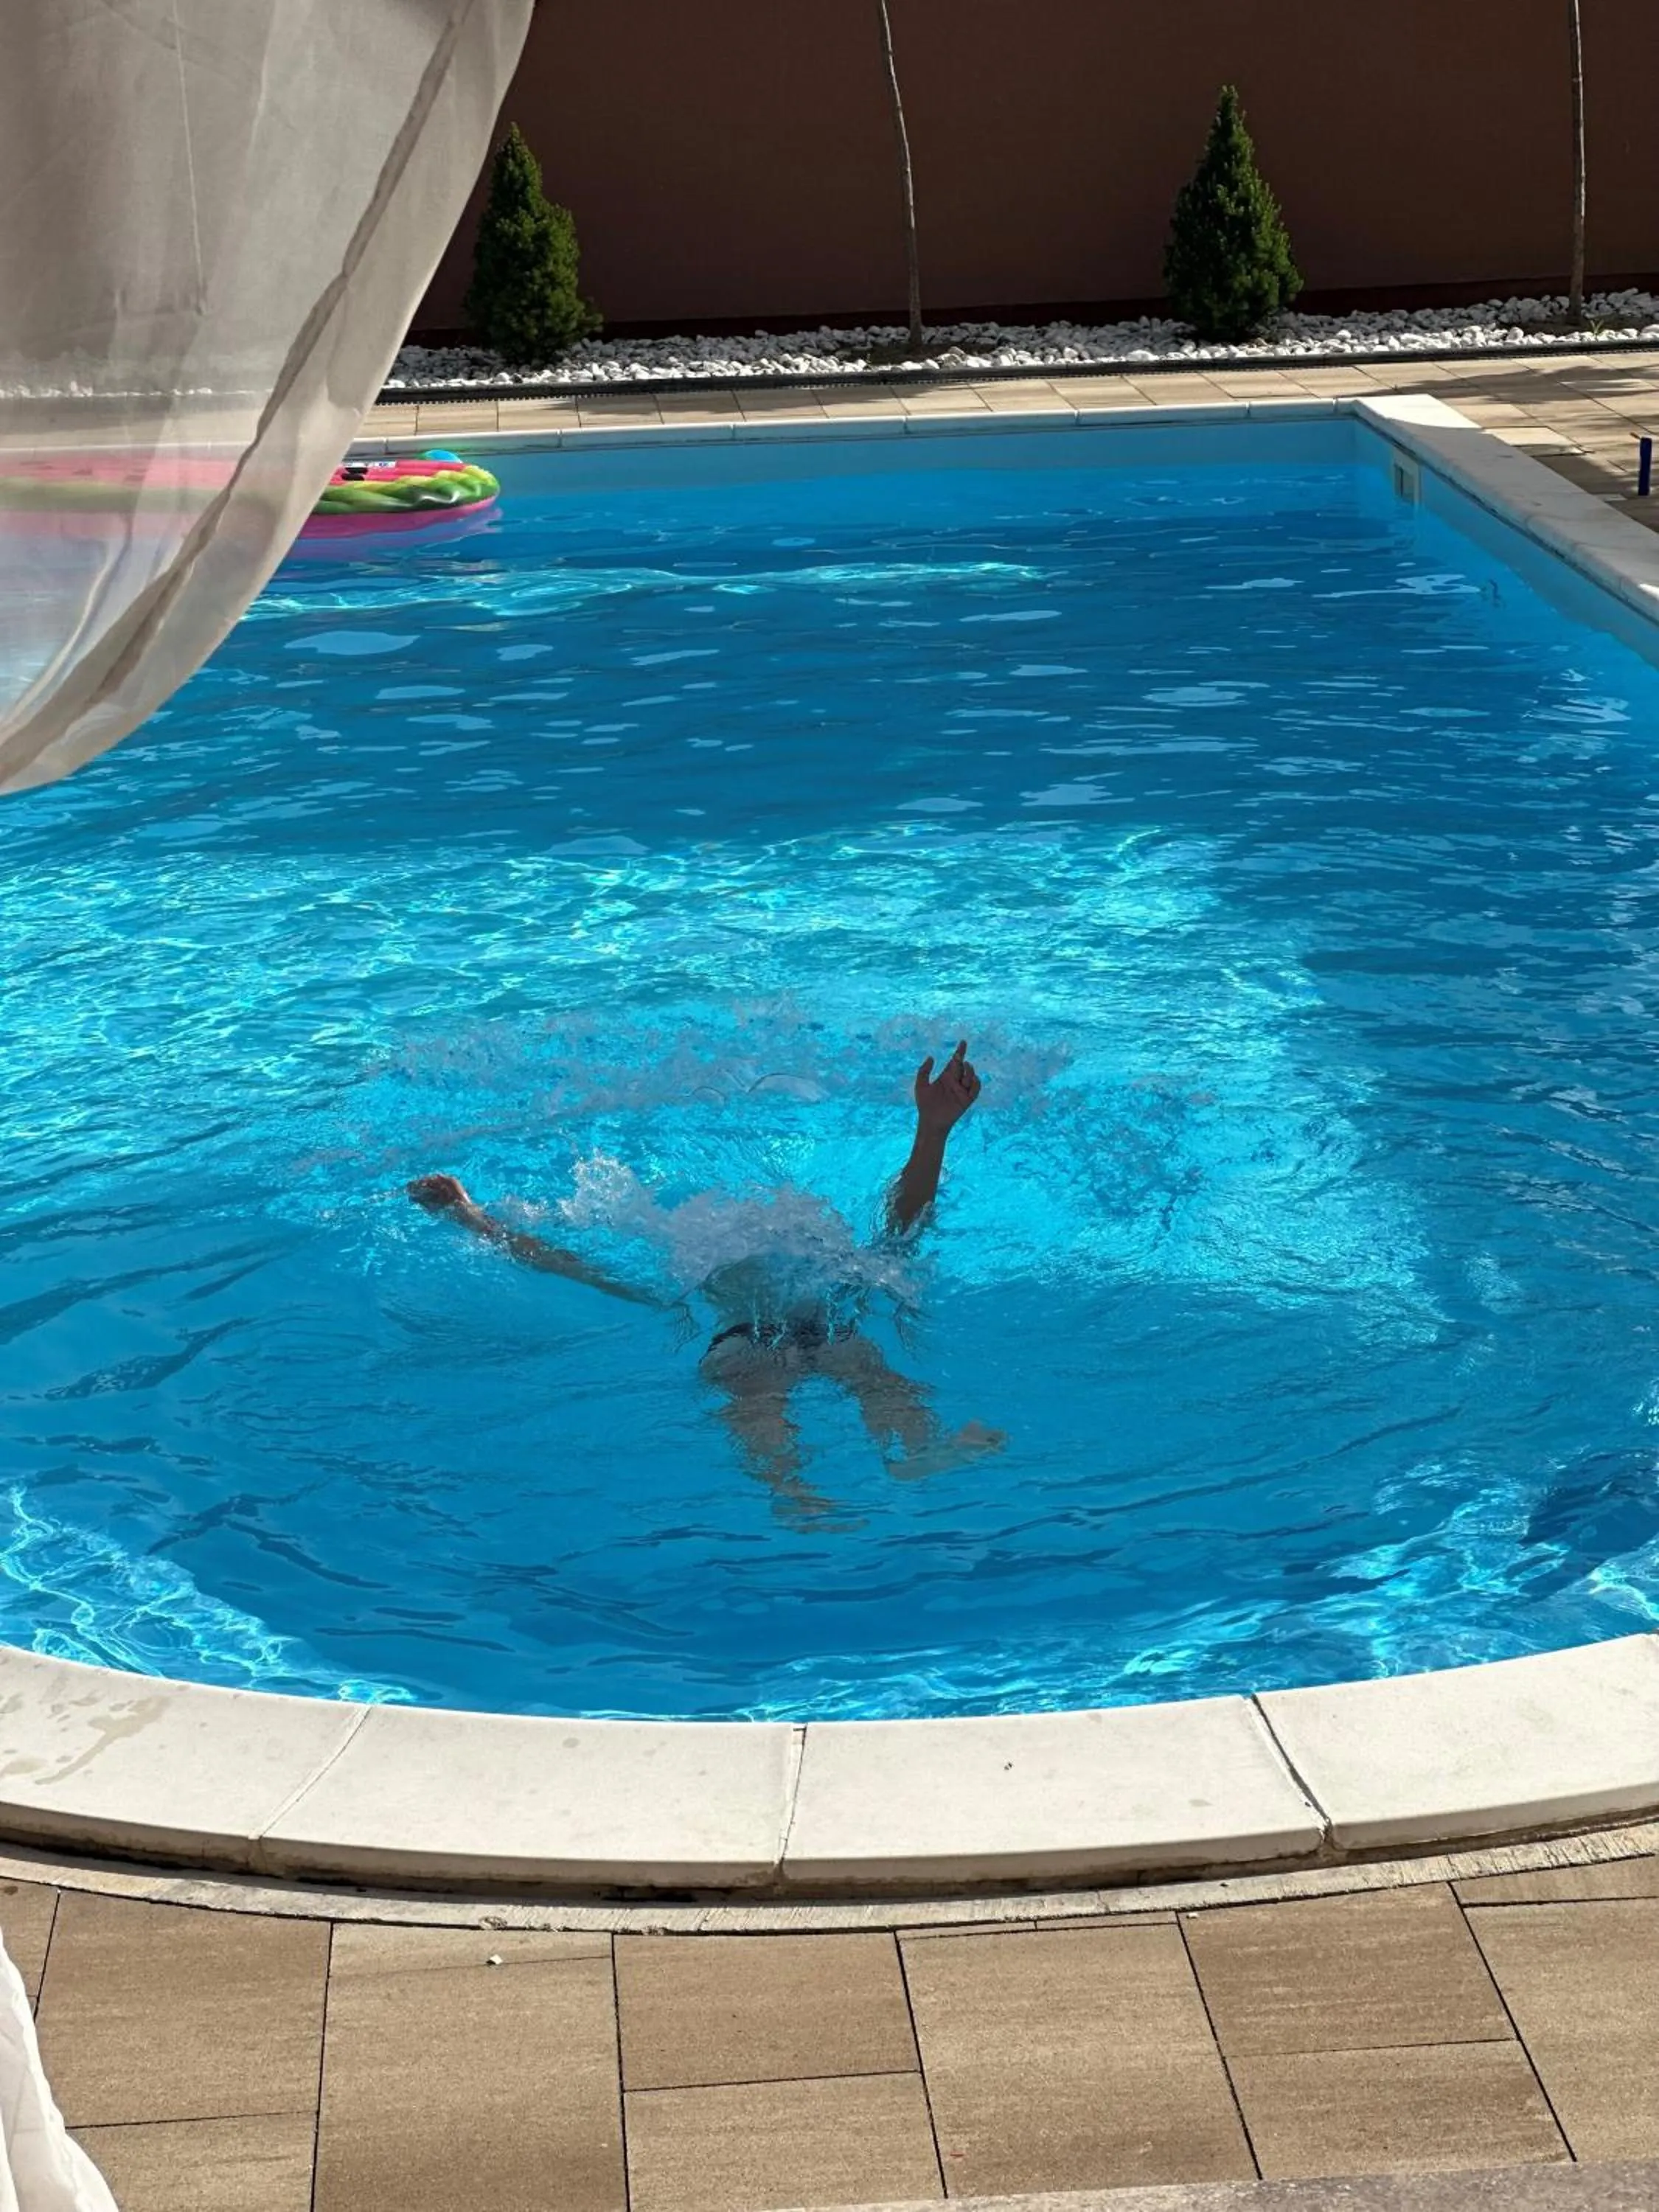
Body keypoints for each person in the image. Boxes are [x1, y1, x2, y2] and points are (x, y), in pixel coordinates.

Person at [408, 1039, 1003, 1519]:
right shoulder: (789, 1263)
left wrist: (935, 1129)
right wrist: (470, 1216)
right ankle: (872, 1462)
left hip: (763, 1338)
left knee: (791, 1387)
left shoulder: (707, 1262)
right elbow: (901, 1230)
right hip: (790, 1336)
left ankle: (803, 1484)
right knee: (845, 1375)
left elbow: (579, 1267)